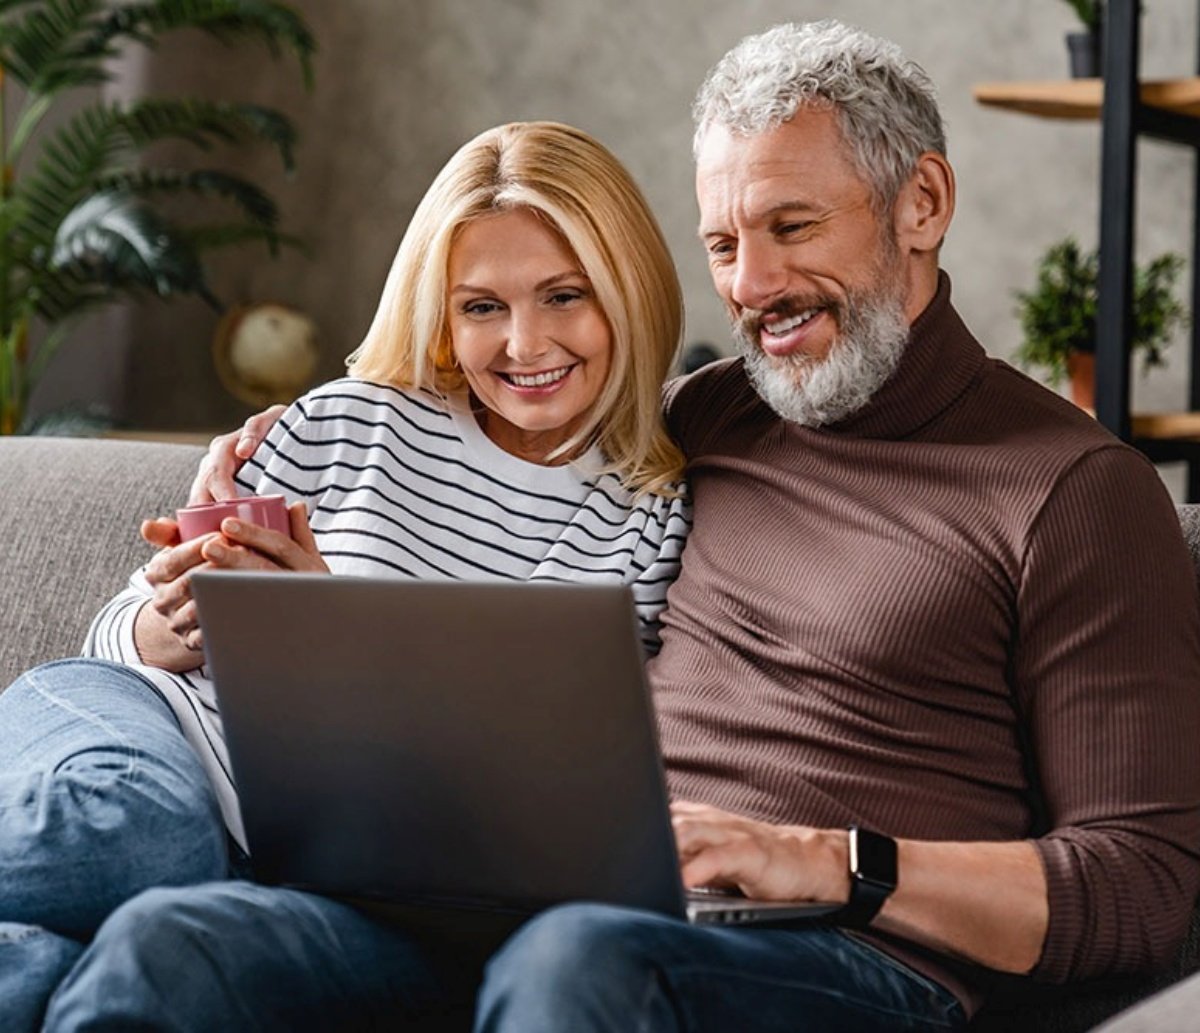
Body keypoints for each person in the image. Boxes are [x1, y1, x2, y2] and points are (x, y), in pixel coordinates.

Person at [44, 18, 1200, 1032]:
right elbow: (489, 415)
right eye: (724, 244)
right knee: (177, 941)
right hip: (547, 898)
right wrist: (266, 489)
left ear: (924, 205)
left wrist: (828, 861)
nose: (755, 285)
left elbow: (1147, 886)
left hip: (836, 954)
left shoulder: (1076, 492)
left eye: (793, 227)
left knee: (579, 962)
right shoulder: (704, 419)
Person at [2, 120, 691, 1031]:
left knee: (106, 939)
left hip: (284, 849)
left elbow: (544, 795)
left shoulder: (646, 521)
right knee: (145, 831)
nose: (525, 343)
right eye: (481, 306)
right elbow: (115, 633)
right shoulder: (351, 420)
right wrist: (163, 625)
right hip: (135, 728)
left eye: (564, 296)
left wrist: (325, 629)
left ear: (627, 289)